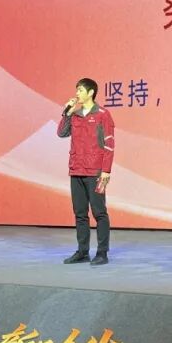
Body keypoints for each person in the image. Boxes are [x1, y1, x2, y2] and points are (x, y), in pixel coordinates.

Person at [56, 78, 115, 265]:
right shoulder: (75, 115)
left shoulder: (103, 114)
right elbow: (61, 133)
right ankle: (82, 252)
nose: (77, 93)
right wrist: (66, 113)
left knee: (99, 212)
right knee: (80, 213)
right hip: (76, 170)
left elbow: (109, 144)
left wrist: (106, 170)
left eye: (80, 90)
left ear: (91, 93)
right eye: (77, 90)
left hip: (96, 172)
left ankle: (102, 253)